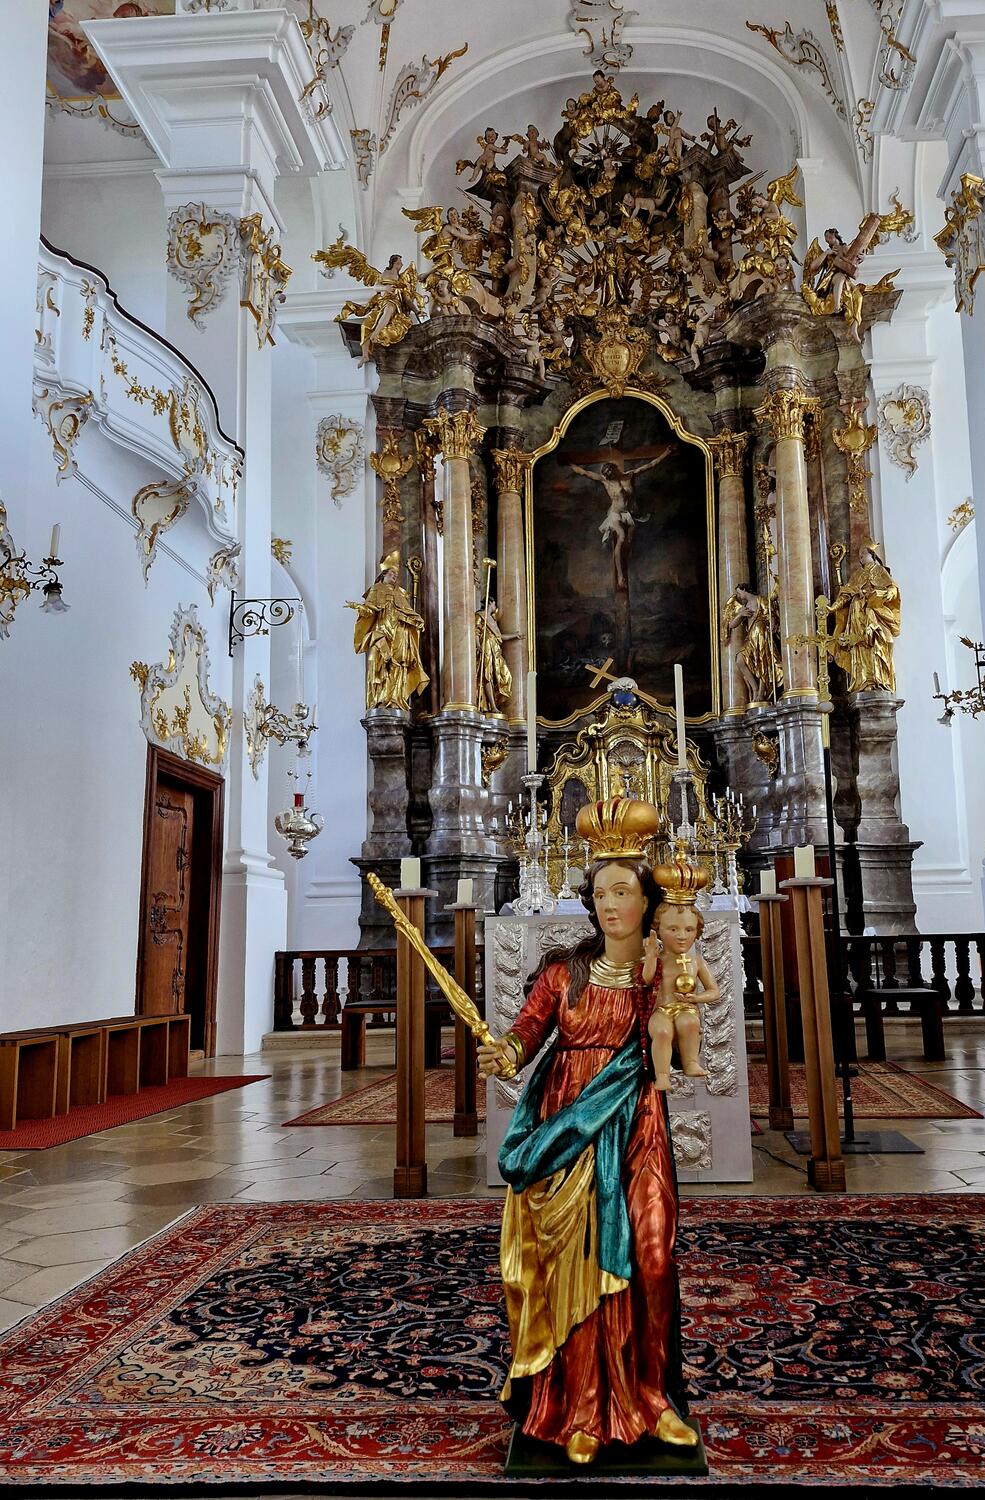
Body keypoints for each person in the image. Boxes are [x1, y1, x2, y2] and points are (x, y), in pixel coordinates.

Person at [477, 798, 696, 1466]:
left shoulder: (659, 974)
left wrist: (676, 1000)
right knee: (575, 1262)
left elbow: (685, 1049)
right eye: (600, 893)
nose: (609, 905)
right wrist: (507, 1053)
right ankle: (579, 1407)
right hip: (569, 1124)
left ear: (646, 899)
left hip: (637, 1120)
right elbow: (527, 1031)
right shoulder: (563, 971)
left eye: (622, 891)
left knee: (651, 1254)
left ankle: (653, 1399)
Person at [641, 860, 721, 1091]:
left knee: (689, 1023)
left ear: (697, 931)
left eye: (689, 929)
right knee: (662, 1031)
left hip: (686, 1008)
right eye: (673, 929)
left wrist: (696, 999)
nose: (681, 936)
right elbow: (646, 980)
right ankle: (662, 1074)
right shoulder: (659, 958)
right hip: (661, 1010)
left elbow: (714, 991)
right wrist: (650, 956)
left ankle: (690, 1062)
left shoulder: (696, 962)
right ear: (658, 930)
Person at [569, 448, 673, 589]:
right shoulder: (606, 482)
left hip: (629, 514)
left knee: (629, 541)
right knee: (622, 537)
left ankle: (625, 563)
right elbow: (585, 473)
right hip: (615, 514)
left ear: (615, 469)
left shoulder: (630, 475)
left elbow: (650, 465)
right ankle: (620, 576)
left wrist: (666, 453)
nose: (609, 477)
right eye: (607, 475)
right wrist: (571, 464)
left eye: (611, 473)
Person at [345, 550, 428, 711]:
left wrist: (417, 621)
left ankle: (396, 699)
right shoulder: (376, 589)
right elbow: (370, 610)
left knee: (399, 665)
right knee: (377, 661)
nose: (395, 576)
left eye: (396, 574)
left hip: (399, 633)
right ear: (384, 574)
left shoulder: (399, 593)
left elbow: (407, 613)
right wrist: (360, 608)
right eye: (392, 573)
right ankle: (380, 699)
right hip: (381, 632)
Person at [831, 540, 901, 693]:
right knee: (859, 645)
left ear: (872, 554)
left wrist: (886, 594)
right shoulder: (857, 575)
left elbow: (892, 589)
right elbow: (846, 595)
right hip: (857, 614)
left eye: (863, 553)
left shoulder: (880, 571)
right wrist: (833, 608)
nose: (860, 557)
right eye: (859, 554)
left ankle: (880, 680)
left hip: (875, 612)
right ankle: (864, 681)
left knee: (882, 641)